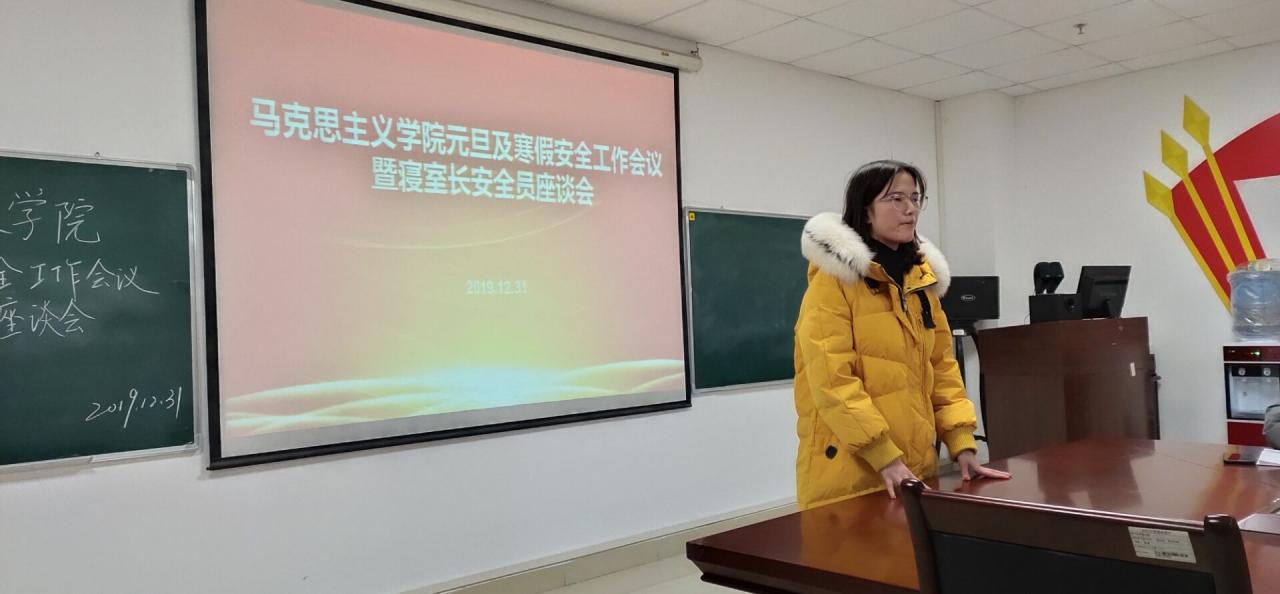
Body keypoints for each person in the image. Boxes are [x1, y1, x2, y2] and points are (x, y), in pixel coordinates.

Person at [793, 160, 1010, 510]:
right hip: (852, 471)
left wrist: (962, 445)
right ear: (865, 211)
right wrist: (884, 456)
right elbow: (832, 381)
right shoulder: (833, 283)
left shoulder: (919, 283)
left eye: (915, 198)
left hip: (913, 467)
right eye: (895, 199)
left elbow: (942, 367)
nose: (910, 209)